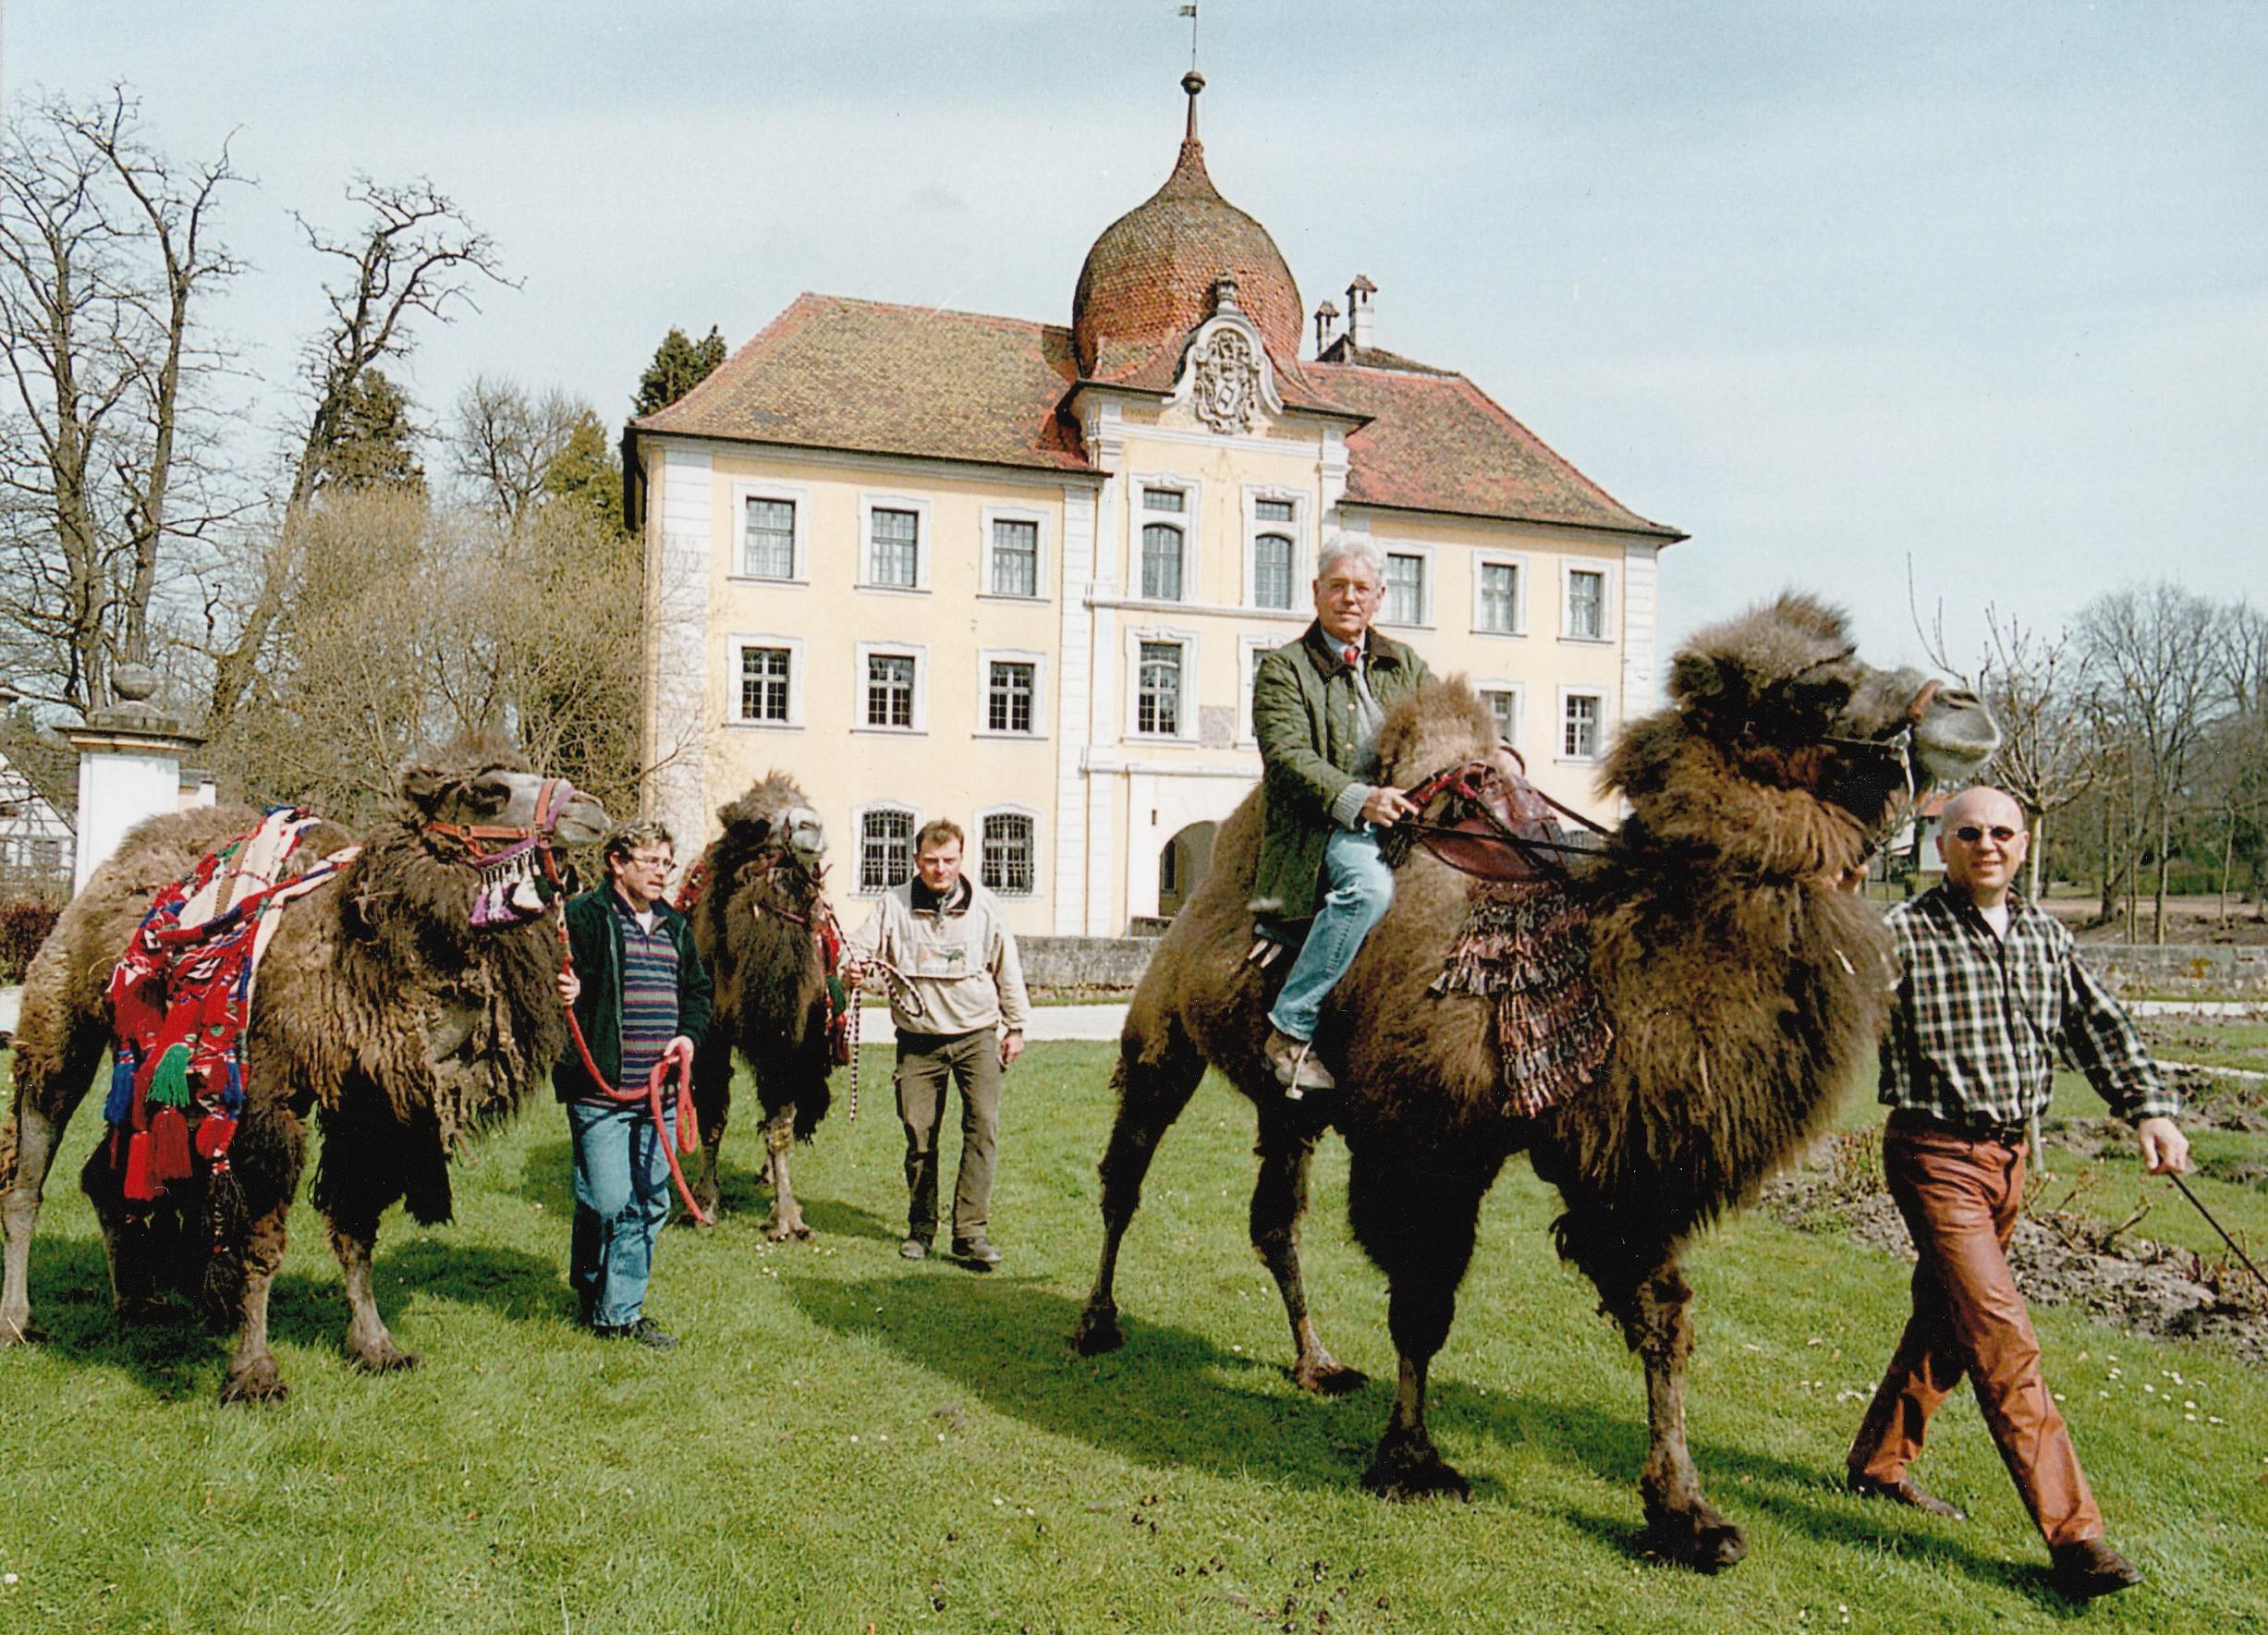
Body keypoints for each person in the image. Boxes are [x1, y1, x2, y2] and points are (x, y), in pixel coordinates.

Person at [1844, 786, 2189, 1601]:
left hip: (2010, 1158)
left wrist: (2150, 1109)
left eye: (2002, 831)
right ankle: (2077, 1539)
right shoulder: (1902, 934)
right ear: (1941, 845)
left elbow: (2099, 1027)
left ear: (2024, 844)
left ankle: (1878, 1465)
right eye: (1968, 832)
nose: (1987, 844)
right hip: (1934, 1153)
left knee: (1947, 1319)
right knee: (2002, 1336)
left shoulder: (2044, 936)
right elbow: (1825, 982)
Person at [1249, 535, 1432, 1094]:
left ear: (1380, 596)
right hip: (1324, 827)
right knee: (1368, 891)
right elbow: (1287, 757)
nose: (1350, 598)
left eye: (1361, 588)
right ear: (1316, 592)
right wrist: (1360, 799)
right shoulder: (1284, 669)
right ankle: (1291, 1026)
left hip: (1407, 820)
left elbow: (1444, 722)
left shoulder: (1406, 664)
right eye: (1338, 586)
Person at [844, 819, 1030, 1270]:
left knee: (982, 1127)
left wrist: (1016, 1026)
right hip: (918, 1041)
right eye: (931, 860)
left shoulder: (985, 906)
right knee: (919, 1133)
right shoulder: (893, 905)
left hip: (976, 1036)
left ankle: (970, 1233)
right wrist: (851, 966)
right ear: (916, 860)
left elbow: (1007, 967)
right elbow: (858, 948)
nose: (940, 869)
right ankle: (921, 1229)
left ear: (962, 859)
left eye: (949, 860)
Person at [553, 820, 712, 1348]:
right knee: (605, 1200)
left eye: (667, 863)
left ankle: (619, 1313)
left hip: (660, 1094)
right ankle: (589, 1282)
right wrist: (566, 990)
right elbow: (556, 979)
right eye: (650, 862)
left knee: (648, 1201)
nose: (661, 873)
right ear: (617, 863)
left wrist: (688, 1036)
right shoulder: (584, 917)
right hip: (600, 1092)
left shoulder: (675, 925)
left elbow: (697, 993)